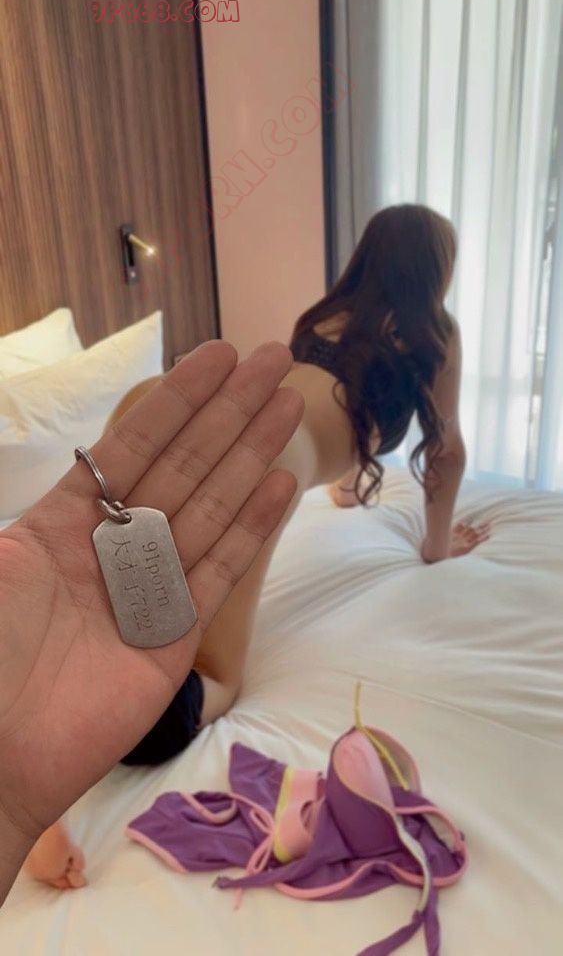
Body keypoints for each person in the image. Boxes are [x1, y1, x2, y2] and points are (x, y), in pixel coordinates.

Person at [25, 203, 492, 889]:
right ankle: (44, 786)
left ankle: (33, 720)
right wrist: (435, 546)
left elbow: (324, 403)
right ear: (435, 271)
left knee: (95, 602)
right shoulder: (434, 335)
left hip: (167, 405)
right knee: (212, 680)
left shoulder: (328, 316)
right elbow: (444, 451)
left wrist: (343, 487)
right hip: (261, 461)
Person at [0, 339, 304, 904]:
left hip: (144, 426)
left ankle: (30, 760)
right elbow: (446, 456)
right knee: (221, 675)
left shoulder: (142, 406)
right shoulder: (407, 358)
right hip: (280, 453)